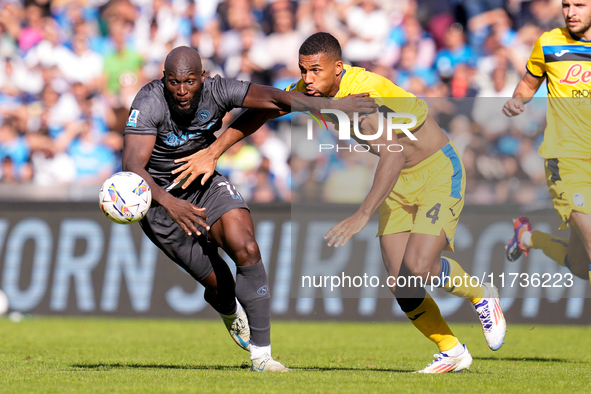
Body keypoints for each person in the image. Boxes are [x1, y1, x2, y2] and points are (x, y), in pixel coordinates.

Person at [172, 33, 507, 373]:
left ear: (339, 68)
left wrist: (363, 214)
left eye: (315, 71)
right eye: (303, 71)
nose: (307, 79)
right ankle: (452, 351)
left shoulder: (361, 96)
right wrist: (213, 152)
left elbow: (393, 154)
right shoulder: (310, 90)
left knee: (418, 266)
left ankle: (483, 294)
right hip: (398, 179)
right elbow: (264, 111)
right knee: (401, 282)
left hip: (435, 169)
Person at [122, 46, 375, 372]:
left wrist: (332, 106)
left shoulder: (219, 90)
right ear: (163, 80)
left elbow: (276, 99)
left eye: (189, 82)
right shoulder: (149, 101)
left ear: (203, 78)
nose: (182, 91)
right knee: (221, 285)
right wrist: (170, 204)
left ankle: (262, 356)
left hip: (202, 181)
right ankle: (229, 311)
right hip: (160, 203)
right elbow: (132, 166)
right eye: (173, 82)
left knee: (247, 246)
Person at [502, 0, 591, 286]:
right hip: (567, 159)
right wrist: (518, 98)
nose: (570, 12)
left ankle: (527, 237)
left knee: (579, 266)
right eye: (566, 5)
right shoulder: (550, 43)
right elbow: (528, 84)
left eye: (580, 5)